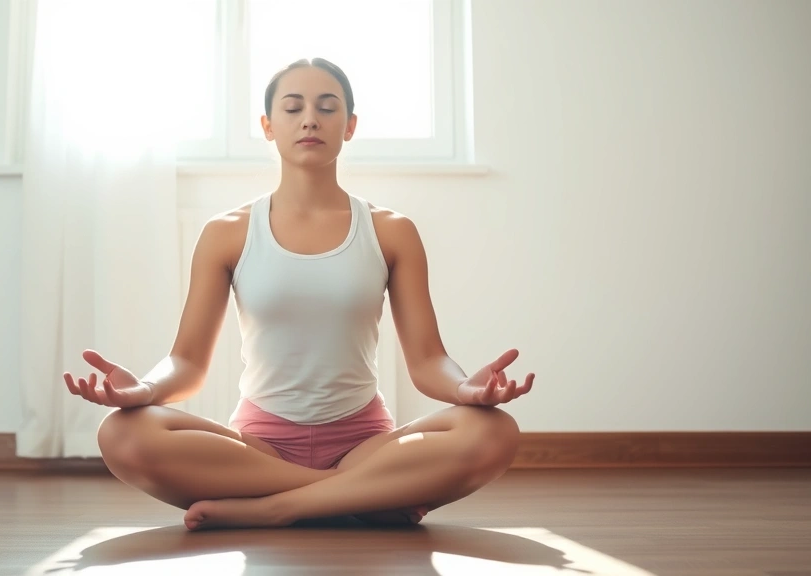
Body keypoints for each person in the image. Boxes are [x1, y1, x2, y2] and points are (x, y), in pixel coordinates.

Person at [63, 57, 535, 531]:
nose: (310, 118)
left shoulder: (392, 231)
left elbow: (429, 359)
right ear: (268, 126)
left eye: (327, 107)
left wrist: (464, 389)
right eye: (293, 108)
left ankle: (278, 507)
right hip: (260, 447)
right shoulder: (227, 233)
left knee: (493, 432)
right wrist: (143, 389)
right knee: (122, 435)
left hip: (364, 445)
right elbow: (186, 363)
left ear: (349, 126)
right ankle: (357, 496)